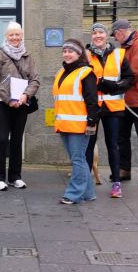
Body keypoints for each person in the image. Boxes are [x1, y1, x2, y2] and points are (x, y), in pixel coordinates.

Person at [0, 21, 39, 191]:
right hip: (2, 103)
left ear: (22, 36)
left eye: (18, 34)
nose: (15, 37)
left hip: (22, 103)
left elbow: (35, 79)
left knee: (17, 141)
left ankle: (15, 176)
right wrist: (8, 98)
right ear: (6, 37)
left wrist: (25, 95)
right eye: (12, 35)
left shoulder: (28, 56)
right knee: (1, 140)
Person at [85, 23, 134, 198]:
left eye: (101, 33)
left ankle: (116, 184)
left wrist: (114, 86)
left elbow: (129, 79)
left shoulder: (119, 55)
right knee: (88, 145)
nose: (98, 36)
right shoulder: (86, 56)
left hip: (113, 108)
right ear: (91, 36)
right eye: (94, 33)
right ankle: (86, 182)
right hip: (92, 109)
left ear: (107, 36)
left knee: (113, 145)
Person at [53, 39, 99, 204]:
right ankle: (88, 193)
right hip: (65, 124)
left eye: (70, 51)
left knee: (78, 159)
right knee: (78, 158)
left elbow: (92, 100)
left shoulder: (86, 72)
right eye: (64, 51)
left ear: (79, 54)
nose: (67, 54)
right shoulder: (62, 72)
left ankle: (73, 194)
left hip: (79, 125)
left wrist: (92, 122)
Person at [111, 19, 138, 185]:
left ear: (121, 32)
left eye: (115, 35)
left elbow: (136, 72)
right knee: (122, 136)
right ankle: (124, 169)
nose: (115, 38)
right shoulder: (125, 46)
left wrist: (117, 84)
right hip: (125, 98)